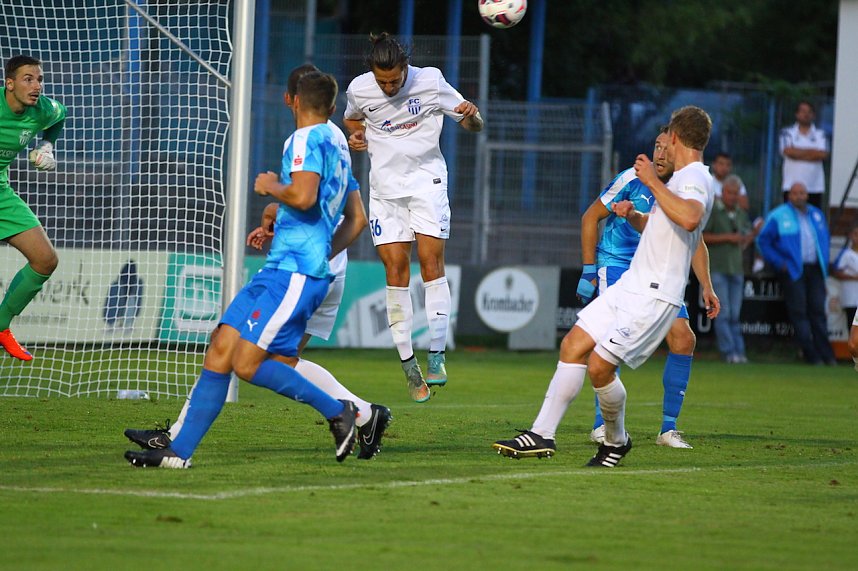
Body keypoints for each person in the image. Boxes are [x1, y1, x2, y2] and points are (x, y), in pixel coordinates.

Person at [125, 65, 391, 463]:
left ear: (294, 100)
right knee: (222, 348)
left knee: (250, 364)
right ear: (334, 106)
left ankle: (342, 412)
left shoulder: (304, 138)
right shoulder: (336, 141)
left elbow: (302, 197)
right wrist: (286, 219)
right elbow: (353, 216)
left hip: (296, 273)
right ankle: (177, 452)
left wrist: (272, 188)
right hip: (283, 267)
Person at [493, 106, 718, 468]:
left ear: (675, 138)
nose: (662, 150)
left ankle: (615, 441)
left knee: (600, 365)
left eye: (666, 142)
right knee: (573, 345)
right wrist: (635, 216)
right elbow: (665, 228)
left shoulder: (693, 177)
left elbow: (691, 219)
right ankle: (541, 434)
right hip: (631, 284)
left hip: (655, 294)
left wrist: (652, 183)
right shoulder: (679, 181)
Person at [343, 32, 483, 402]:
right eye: (382, 81)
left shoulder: (431, 81)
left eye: (394, 80)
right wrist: (357, 136)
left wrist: (472, 115)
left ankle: (436, 353)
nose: (388, 87)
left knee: (430, 261)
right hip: (385, 191)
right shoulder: (360, 89)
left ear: (406, 68)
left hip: (427, 182)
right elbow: (352, 121)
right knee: (394, 272)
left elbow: (473, 126)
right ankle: (408, 365)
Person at [576, 126, 717, 450]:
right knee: (612, 338)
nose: (660, 153)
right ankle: (602, 425)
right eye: (656, 146)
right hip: (617, 262)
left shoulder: (685, 187)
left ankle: (668, 430)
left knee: (683, 339)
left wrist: (707, 285)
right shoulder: (630, 179)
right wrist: (588, 270)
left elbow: (695, 242)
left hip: (656, 270)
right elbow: (590, 217)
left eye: (666, 147)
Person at [0, 55, 66, 361]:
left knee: (45, 260)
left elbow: (59, 116)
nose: (37, 85)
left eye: (39, 79)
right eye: (28, 79)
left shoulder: (42, 109)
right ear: (9, 84)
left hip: (1, 192)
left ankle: (0, 326)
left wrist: (46, 146)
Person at [757, 182, 836, 365]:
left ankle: (827, 355)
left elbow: (824, 240)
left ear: (807, 195)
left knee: (818, 311)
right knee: (799, 312)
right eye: (795, 193)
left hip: (816, 269)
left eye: (802, 193)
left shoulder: (817, 214)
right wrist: (779, 262)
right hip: (793, 269)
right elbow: (763, 241)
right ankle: (811, 355)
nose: (799, 196)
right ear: (789, 195)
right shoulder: (778, 215)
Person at [703, 175, 761, 363]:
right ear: (723, 193)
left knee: (735, 314)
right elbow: (703, 237)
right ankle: (728, 352)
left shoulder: (740, 213)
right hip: (718, 268)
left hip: (736, 268)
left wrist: (753, 233)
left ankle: (739, 352)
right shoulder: (714, 211)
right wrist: (727, 237)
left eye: (736, 194)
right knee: (724, 312)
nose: (733, 197)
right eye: (730, 193)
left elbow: (743, 238)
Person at [780, 101, 828, 209]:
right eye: (802, 111)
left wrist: (798, 152)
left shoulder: (820, 134)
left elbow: (822, 154)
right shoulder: (787, 133)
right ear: (796, 114)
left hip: (814, 186)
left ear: (813, 115)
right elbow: (788, 152)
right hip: (791, 186)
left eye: (809, 112)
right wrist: (812, 152)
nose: (806, 114)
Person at [833, 224, 858, 327]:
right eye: (856, 234)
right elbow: (836, 272)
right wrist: (854, 277)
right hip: (851, 299)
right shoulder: (846, 254)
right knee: (854, 329)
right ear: (850, 236)